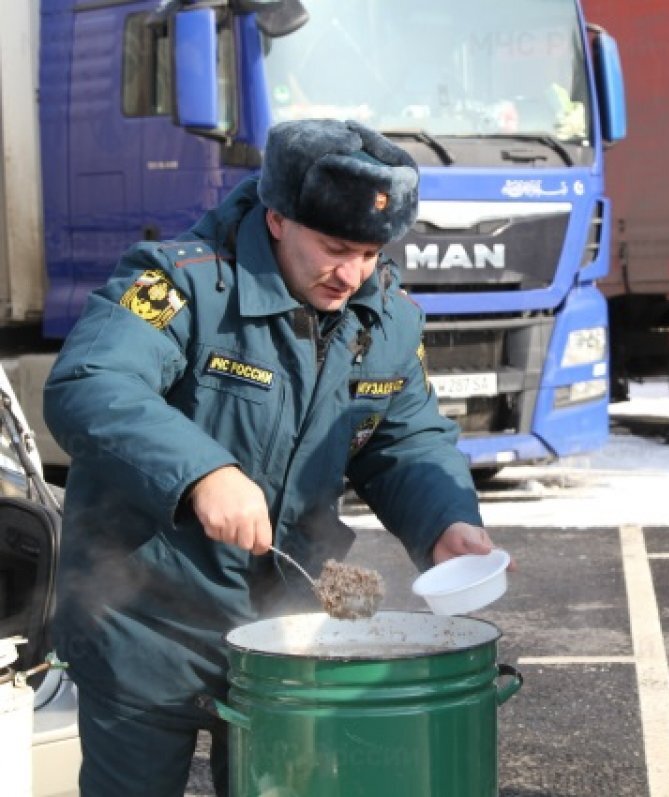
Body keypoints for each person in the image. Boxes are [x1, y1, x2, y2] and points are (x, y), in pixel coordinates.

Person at [44, 119, 498, 796]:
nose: (354, 274)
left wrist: (444, 523)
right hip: (142, 621)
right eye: (337, 248)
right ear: (278, 217)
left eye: (372, 253)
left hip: (285, 634)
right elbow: (91, 382)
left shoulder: (388, 319)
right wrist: (204, 471)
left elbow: (404, 438)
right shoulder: (182, 283)